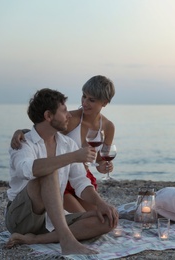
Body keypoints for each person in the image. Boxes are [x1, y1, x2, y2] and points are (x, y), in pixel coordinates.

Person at [5, 88, 118, 256]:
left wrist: (100, 202)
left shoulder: (67, 144)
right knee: (48, 172)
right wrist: (73, 157)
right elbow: (27, 170)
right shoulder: (23, 143)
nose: (69, 115)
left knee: (108, 220)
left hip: (52, 219)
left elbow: (81, 182)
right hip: (22, 217)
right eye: (64, 111)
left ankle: (35, 239)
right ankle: (67, 241)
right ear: (48, 116)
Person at [10, 75, 116, 213]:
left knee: (100, 217)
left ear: (105, 102)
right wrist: (21, 132)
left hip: (81, 177)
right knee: (82, 217)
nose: (85, 102)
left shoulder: (108, 127)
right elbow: (43, 131)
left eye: (91, 100)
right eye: (84, 96)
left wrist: (105, 166)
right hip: (62, 179)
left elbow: (100, 161)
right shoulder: (71, 119)